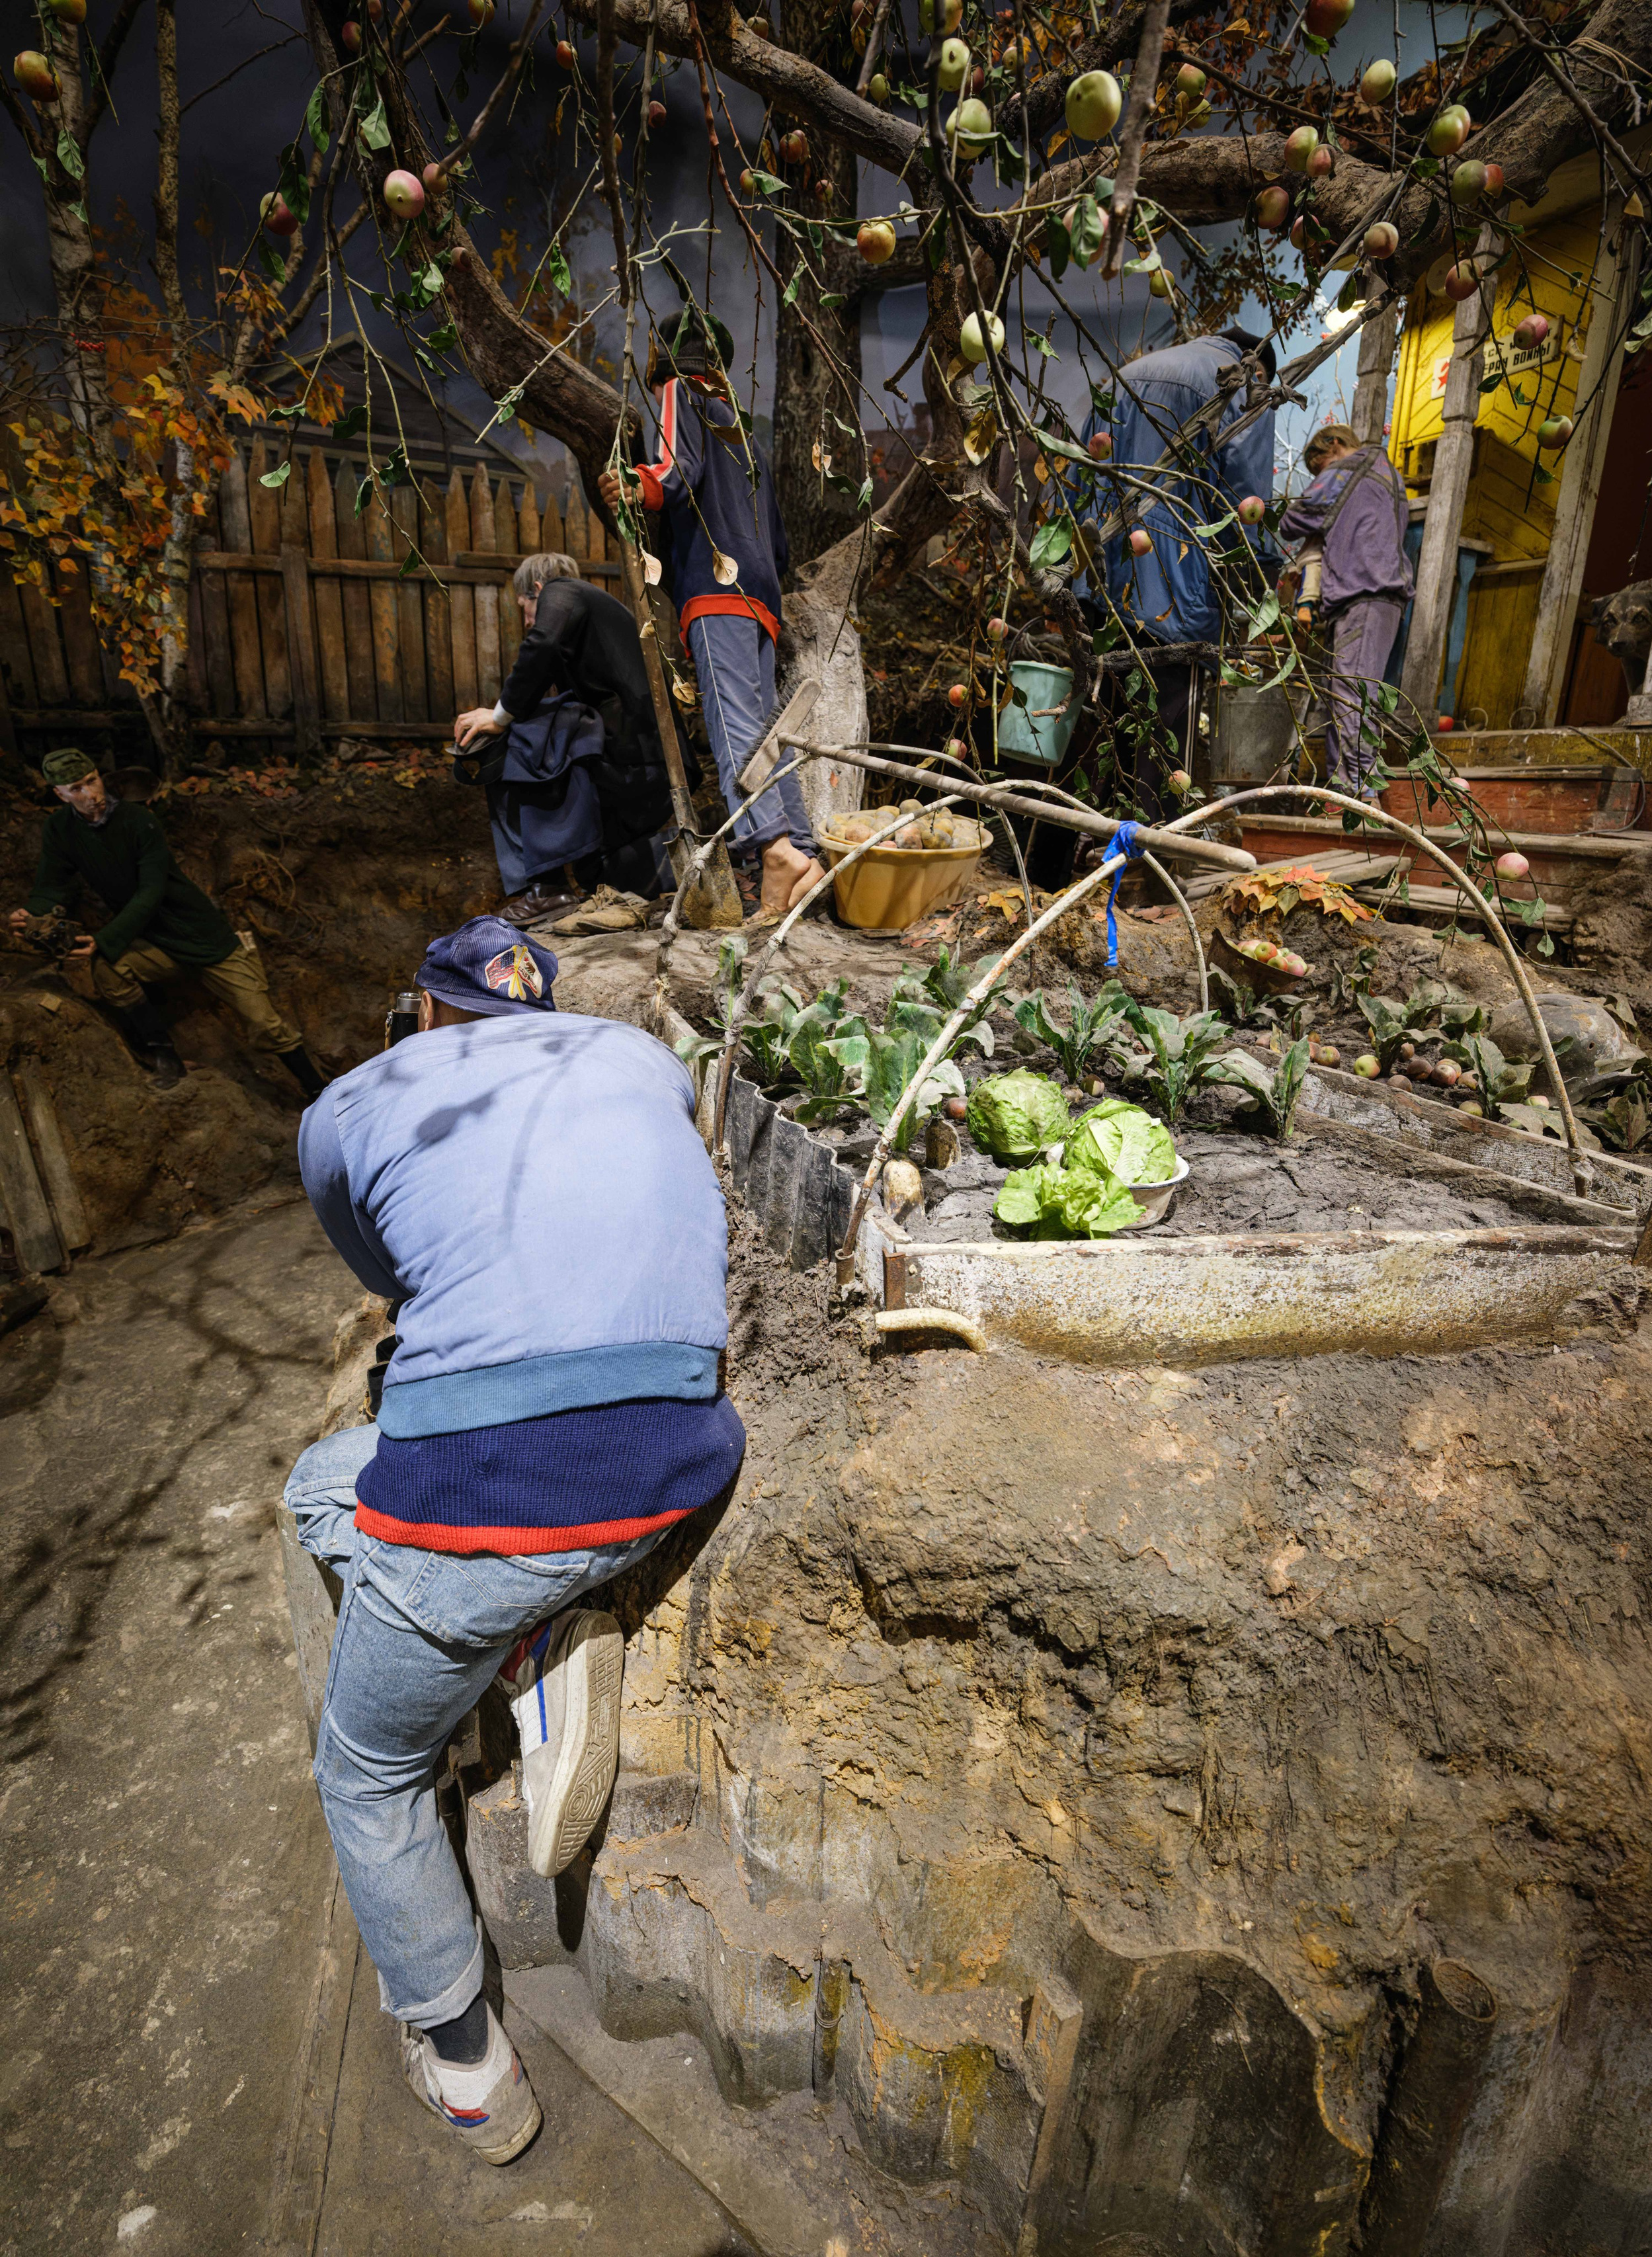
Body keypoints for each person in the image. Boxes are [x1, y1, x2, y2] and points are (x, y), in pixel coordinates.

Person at [286, 914, 743, 2167]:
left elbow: (388, 1270)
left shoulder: (353, 1100)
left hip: (488, 1495)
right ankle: (531, 1634)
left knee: (367, 1768)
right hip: (684, 1457)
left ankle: (468, 2062)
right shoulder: (638, 1055)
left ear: (426, 1012)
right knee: (349, 1488)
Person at [595, 307, 825, 918]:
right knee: (765, 731)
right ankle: (803, 853)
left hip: (718, 589)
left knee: (733, 728)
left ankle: (774, 850)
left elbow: (676, 470)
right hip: (761, 596)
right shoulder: (744, 436)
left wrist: (635, 481)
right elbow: (778, 543)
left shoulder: (681, 393)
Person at [9, 747, 325, 1097]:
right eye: (77, 788)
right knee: (109, 970)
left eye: (92, 780)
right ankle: (165, 1058)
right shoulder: (60, 829)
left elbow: (151, 892)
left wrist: (105, 938)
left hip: (204, 939)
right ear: (60, 794)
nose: (92, 794)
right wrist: (33, 912)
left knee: (264, 1023)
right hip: (154, 942)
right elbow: (52, 884)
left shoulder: (138, 822)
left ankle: (317, 1090)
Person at [452, 552, 679, 923]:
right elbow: (546, 669)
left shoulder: (563, 592)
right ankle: (565, 880)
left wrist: (498, 717)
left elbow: (540, 647)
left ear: (539, 589)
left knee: (512, 741)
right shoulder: (589, 620)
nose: (527, 621)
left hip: (633, 753)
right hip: (647, 756)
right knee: (598, 874)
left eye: (525, 608)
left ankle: (544, 889)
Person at [1098, 325, 1278, 779]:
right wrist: (1256, 587)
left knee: (1103, 726)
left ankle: (1085, 844)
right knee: (1161, 740)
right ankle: (1140, 850)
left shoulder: (1125, 374)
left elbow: (1084, 473)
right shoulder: (1241, 384)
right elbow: (1246, 505)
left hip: (1103, 578)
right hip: (1177, 588)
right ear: (1258, 366)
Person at [1278, 423, 1415, 801]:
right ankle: (1357, 789)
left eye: (1319, 467)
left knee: (1350, 695)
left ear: (1335, 445)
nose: (1321, 476)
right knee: (1361, 692)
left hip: (1363, 592)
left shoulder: (1351, 465)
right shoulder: (1388, 474)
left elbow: (1293, 521)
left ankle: (1355, 795)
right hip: (1382, 596)